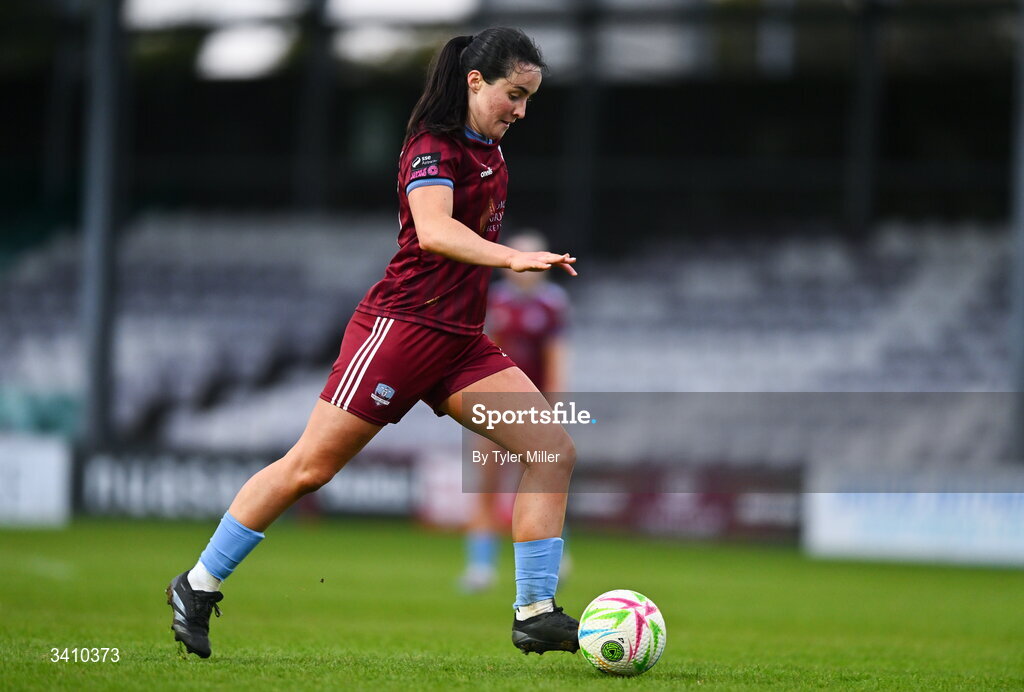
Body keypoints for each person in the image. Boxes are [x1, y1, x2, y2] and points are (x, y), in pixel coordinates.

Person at [166, 28, 580, 659]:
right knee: (310, 468)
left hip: (462, 344)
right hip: (401, 331)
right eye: (514, 94)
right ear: (475, 82)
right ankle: (196, 585)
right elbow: (435, 231)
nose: (521, 110)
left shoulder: (492, 151)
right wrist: (512, 258)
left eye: (529, 99)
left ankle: (535, 610)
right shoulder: (431, 146)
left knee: (551, 448)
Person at [460, 231, 571, 593]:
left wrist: (552, 407)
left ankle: (554, 555)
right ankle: (480, 566)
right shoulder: (494, 302)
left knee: (544, 478)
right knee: (487, 484)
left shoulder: (553, 304)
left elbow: (555, 358)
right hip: (497, 403)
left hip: (534, 403)